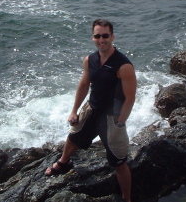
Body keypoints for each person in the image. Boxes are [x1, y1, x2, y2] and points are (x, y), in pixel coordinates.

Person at [45, 19, 137, 202]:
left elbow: (130, 97)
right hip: (92, 108)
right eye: (97, 36)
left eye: (105, 35)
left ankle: (127, 198)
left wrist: (121, 122)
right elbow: (84, 84)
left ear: (112, 37)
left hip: (112, 117)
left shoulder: (123, 65)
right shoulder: (90, 60)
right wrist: (74, 110)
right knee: (73, 137)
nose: (101, 39)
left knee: (119, 162)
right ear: (93, 37)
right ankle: (64, 162)